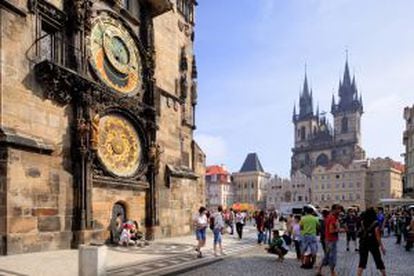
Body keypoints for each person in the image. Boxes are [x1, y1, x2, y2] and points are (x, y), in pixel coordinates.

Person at [357, 208, 386, 276]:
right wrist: (382, 247)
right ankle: (384, 275)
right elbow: (377, 236)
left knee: (362, 262)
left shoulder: (362, 222)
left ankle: (359, 275)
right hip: (373, 244)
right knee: (378, 260)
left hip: (363, 243)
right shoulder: (375, 223)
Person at [317, 204, 343, 276]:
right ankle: (332, 272)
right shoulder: (332, 218)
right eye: (338, 209)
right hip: (331, 240)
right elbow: (331, 230)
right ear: (334, 209)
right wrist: (340, 230)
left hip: (328, 239)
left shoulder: (329, 217)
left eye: (340, 209)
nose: (340, 211)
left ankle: (319, 269)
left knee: (327, 256)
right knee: (333, 257)